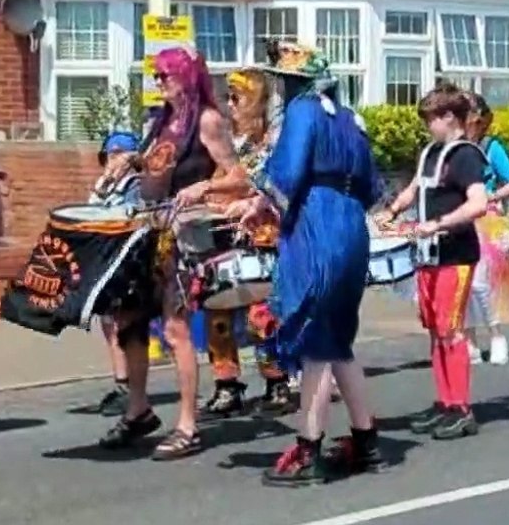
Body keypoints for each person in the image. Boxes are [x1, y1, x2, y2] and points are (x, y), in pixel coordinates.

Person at [233, 41, 386, 486]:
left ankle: (308, 450)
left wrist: (261, 203)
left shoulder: (303, 110)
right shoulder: (351, 118)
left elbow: (288, 170)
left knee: (316, 337)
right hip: (351, 224)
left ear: (292, 81)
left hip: (317, 221)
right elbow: (372, 185)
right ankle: (366, 440)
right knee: (337, 337)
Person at [98, 47, 242, 460]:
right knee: (129, 319)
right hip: (149, 231)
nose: (158, 82)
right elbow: (158, 168)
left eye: (164, 75)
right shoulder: (162, 121)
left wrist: (206, 187)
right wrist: (131, 161)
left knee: (176, 330)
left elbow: (241, 176)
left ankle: (187, 424)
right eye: (155, 76)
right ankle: (139, 409)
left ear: (186, 75)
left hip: (183, 238)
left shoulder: (208, 121)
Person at [376, 84, 489, 440]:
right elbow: (414, 189)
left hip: (455, 255)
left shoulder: (466, 156)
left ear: (449, 118)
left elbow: (478, 203)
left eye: (431, 120)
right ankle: (445, 402)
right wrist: (392, 211)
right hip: (429, 256)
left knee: (451, 331)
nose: (427, 127)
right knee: (436, 330)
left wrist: (438, 224)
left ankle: (461, 408)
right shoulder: (431, 152)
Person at [198, 66, 300, 420]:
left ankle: (277, 382)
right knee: (216, 310)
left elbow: (263, 182)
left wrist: (220, 193)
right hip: (227, 238)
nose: (230, 105)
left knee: (263, 316)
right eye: (227, 97)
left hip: (268, 240)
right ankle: (227, 385)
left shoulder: (275, 143)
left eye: (237, 98)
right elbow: (222, 180)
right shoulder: (232, 143)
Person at [82, 131, 143, 416]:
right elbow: (91, 211)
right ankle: (121, 382)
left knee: (121, 323)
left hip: (128, 259)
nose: (112, 161)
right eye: (109, 155)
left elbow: (126, 217)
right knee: (108, 322)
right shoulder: (105, 185)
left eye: (119, 155)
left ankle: (130, 387)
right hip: (105, 260)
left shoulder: (136, 185)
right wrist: (104, 183)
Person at [462, 92, 509, 365]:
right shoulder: (451, 148)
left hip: (485, 221)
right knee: (462, 284)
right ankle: (469, 341)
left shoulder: (490, 147)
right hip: (458, 218)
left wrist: (493, 197)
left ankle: (496, 335)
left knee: (481, 283)